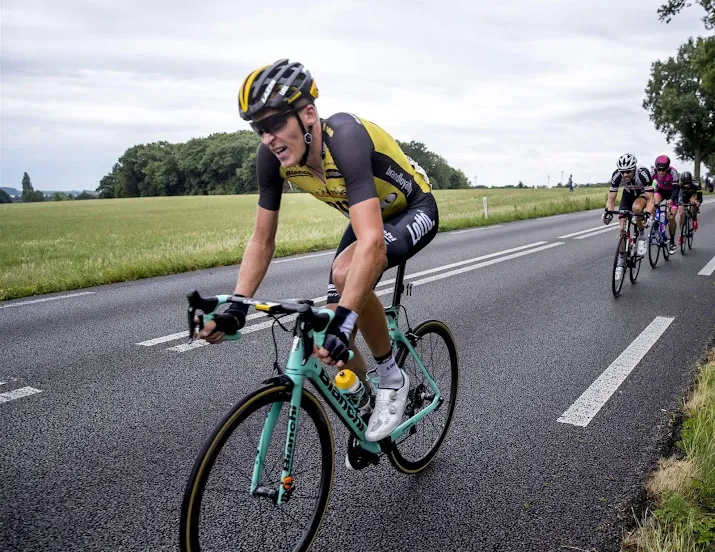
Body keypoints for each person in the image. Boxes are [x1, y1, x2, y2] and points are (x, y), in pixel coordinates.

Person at [197, 59, 439, 446]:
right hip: (367, 219)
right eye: (259, 129)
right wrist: (238, 307)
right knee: (324, 329)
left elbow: (373, 244)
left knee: (346, 279)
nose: (268, 138)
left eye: (275, 123)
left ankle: (393, 379)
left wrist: (347, 319)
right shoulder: (272, 160)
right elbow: (262, 240)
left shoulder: (345, 138)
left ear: (308, 113)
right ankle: (366, 406)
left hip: (411, 209)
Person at [602, 154, 653, 275]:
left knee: (636, 208)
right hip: (628, 195)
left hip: (642, 195)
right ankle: (621, 259)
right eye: (622, 172)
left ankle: (641, 235)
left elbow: (651, 199)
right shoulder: (616, 175)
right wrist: (608, 213)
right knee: (621, 229)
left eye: (628, 171)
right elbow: (611, 199)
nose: (625, 175)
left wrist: (648, 213)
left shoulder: (643, 173)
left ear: (634, 168)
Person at [650, 155, 679, 255]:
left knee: (671, 218)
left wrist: (671, 200)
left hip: (672, 193)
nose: (661, 172)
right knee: (653, 202)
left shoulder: (673, 172)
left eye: (664, 170)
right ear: (656, 168)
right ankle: (655, 224)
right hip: (661, 191)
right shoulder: (653, 172)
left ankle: (672, 242)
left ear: (668, 168)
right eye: (659, 169)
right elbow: (647, 186)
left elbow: (676, 189)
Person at [676, 171, 702, 245]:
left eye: (688, 184)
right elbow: (676, 194)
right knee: (681, 213)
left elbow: (699, 196)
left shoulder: (696, 184)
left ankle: (694, 219)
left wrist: (698, 202)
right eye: (685, 184)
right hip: (683, 195)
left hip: (693, 195)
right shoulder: (679, 184)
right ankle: (681, 234)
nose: (687, 185)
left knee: (693, 203)